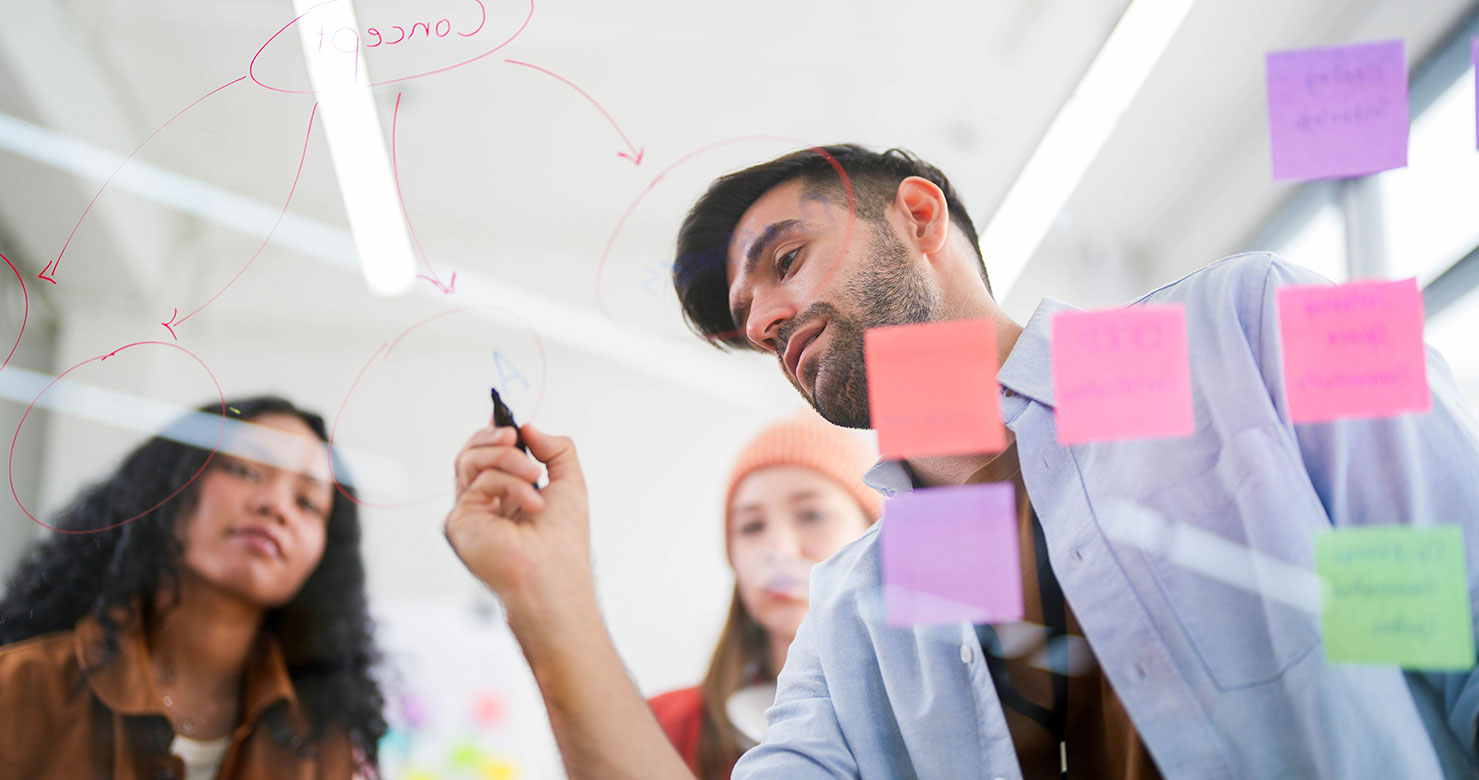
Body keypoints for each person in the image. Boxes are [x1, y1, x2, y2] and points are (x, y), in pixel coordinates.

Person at [445, 144, 1479, 779]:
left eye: (786, 260)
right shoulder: (861, 605)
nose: (762, 317)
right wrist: (548, 600)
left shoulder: (1248, 327)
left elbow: (1465, 618)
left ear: (920, 217)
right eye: (747, 319)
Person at [0, 396, 386, 779]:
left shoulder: (326, 752)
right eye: (245, 471)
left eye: (307, 502)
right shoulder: (19, 686)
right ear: (172, 485)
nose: (275, 506)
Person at [647, 415, 880, 778]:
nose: (779, 551)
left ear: (874, 535)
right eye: (751, 526)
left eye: (812, 515)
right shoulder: (661, 726)